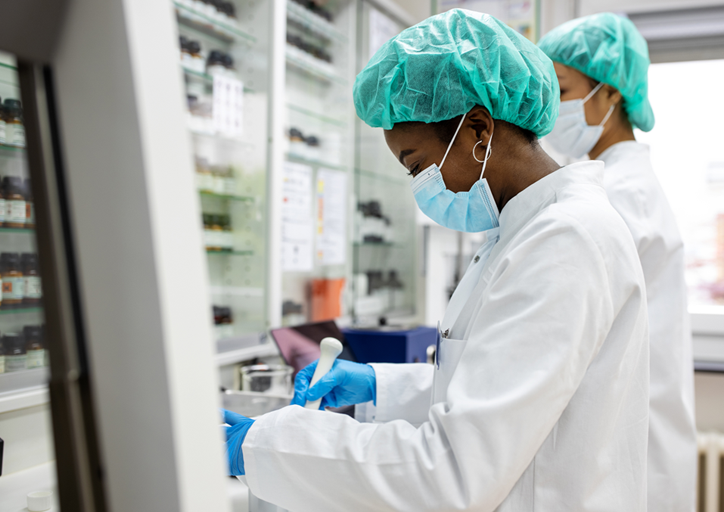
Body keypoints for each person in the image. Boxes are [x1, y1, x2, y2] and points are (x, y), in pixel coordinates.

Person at [223, 9, 650, 511]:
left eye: (418, 165)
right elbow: (493, 384)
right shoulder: (523, 231)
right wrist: (380, 385)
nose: (421, 187)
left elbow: (451, 473)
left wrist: (268, 447)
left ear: (478, 131)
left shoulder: (564, 242)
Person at [538, 13, 697, 512]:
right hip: (632, 442)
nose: (548, 110)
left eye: (561, 90)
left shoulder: (621, 197)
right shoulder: (609, 185)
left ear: (610, 95)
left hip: (630, 454)